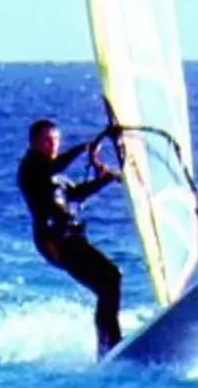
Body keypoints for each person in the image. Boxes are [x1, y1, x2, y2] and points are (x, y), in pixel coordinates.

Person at [17, 118, 126, 354]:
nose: (52, 145)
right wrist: (81, 148)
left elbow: (75, 194)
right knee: (111, 279)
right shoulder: (30, 168)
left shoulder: (55, 177)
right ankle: (110, 345)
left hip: (73, 239)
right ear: (34, 142)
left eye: (55, 140)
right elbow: (52, 167)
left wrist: (104, 180)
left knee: (109, 284)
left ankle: (109, 345)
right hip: (55, 242)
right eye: (46, 141)